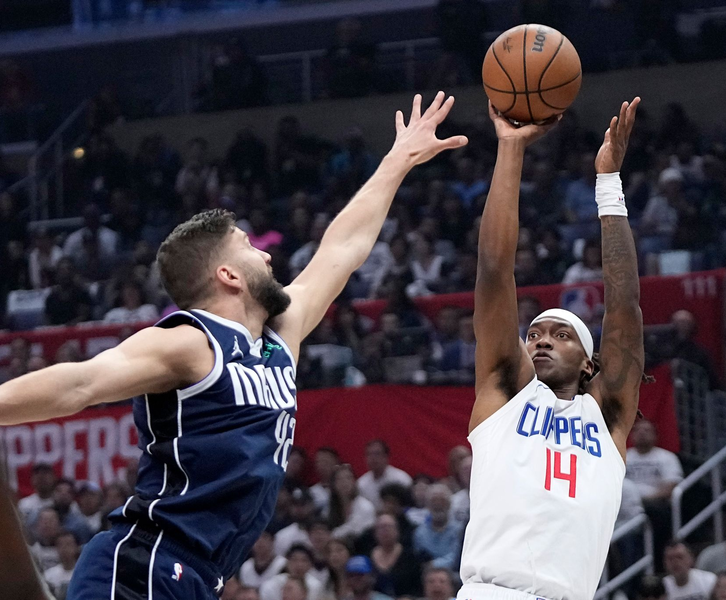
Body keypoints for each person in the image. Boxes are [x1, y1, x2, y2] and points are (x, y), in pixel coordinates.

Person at [0, 92, 466, 600]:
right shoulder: (190, 343)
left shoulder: (277, 339)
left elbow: (344, 249)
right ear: (227, 275)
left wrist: (398, 160)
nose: (267, 255)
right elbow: (81, 382)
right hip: (146, 564)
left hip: (199, 577)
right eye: (249, 246)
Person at [459, 97, 646, 600]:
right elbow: (495, 272)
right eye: (535, 332)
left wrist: (608, 183)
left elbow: (624, 303)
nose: (541, 339)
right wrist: (510, 149)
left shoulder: (607, 418)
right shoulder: (505, 392)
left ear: (590, 363)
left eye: (560, 335)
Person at [625, 419, 684, 566]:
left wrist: (642, 500)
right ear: (631, 435)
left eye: (647, 431)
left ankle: (657, 561)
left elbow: (670, 486)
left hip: (653, 504)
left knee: (656, 513)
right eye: (638, 430)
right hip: (624, 505)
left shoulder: (666, 457)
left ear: (655, 436)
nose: (642, 434)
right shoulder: (622, 456)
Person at [1, 463, 54, 600]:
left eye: (46, 474)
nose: (42, 478)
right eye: (38, 474)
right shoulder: (24, 505)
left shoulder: (60, 504)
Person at [370, 513, 422, 597]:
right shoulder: (367, 557)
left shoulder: (411, 556)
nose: (385, 531)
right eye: (381, 527)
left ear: (397, 530)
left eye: (389, 527)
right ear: (375, 532)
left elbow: (419, 587)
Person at [413, 484, 460, 569]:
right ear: (427, 505)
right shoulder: (419, 533)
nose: (438, 504)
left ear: (449, 505)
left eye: (442, 500)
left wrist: (434, 565)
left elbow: (456, 557)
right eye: (434, 500)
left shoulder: (459, 531)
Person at [357, 440, 413, 507]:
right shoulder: (361, 484)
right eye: (369, 454)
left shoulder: (401, 479)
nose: (373, 458)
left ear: (386, 457)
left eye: (377, 454)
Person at [328, 464, 376, 539]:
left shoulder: (365, 506)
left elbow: (357, 530)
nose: (344, 482)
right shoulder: (330, 508)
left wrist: (332, 536)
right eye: (339, 479)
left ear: (354, 482)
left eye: (348, 478)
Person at [275, 488, 315, 556]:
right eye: (295, 505)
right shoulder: (282, 535)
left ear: (311, 505)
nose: (299, 509)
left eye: (303, 504)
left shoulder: (321, 533)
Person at [44, 531, 80, 600]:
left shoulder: (84, 574)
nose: (64, 549)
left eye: (68, 544)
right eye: (60, 545)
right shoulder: (49, 575)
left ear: (76, 547)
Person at [310, 448, 340, 513]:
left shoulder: (344, 488)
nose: (321, 465)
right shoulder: (311, 492)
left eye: (325, 462)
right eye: (318, 462)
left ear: (336, 463)